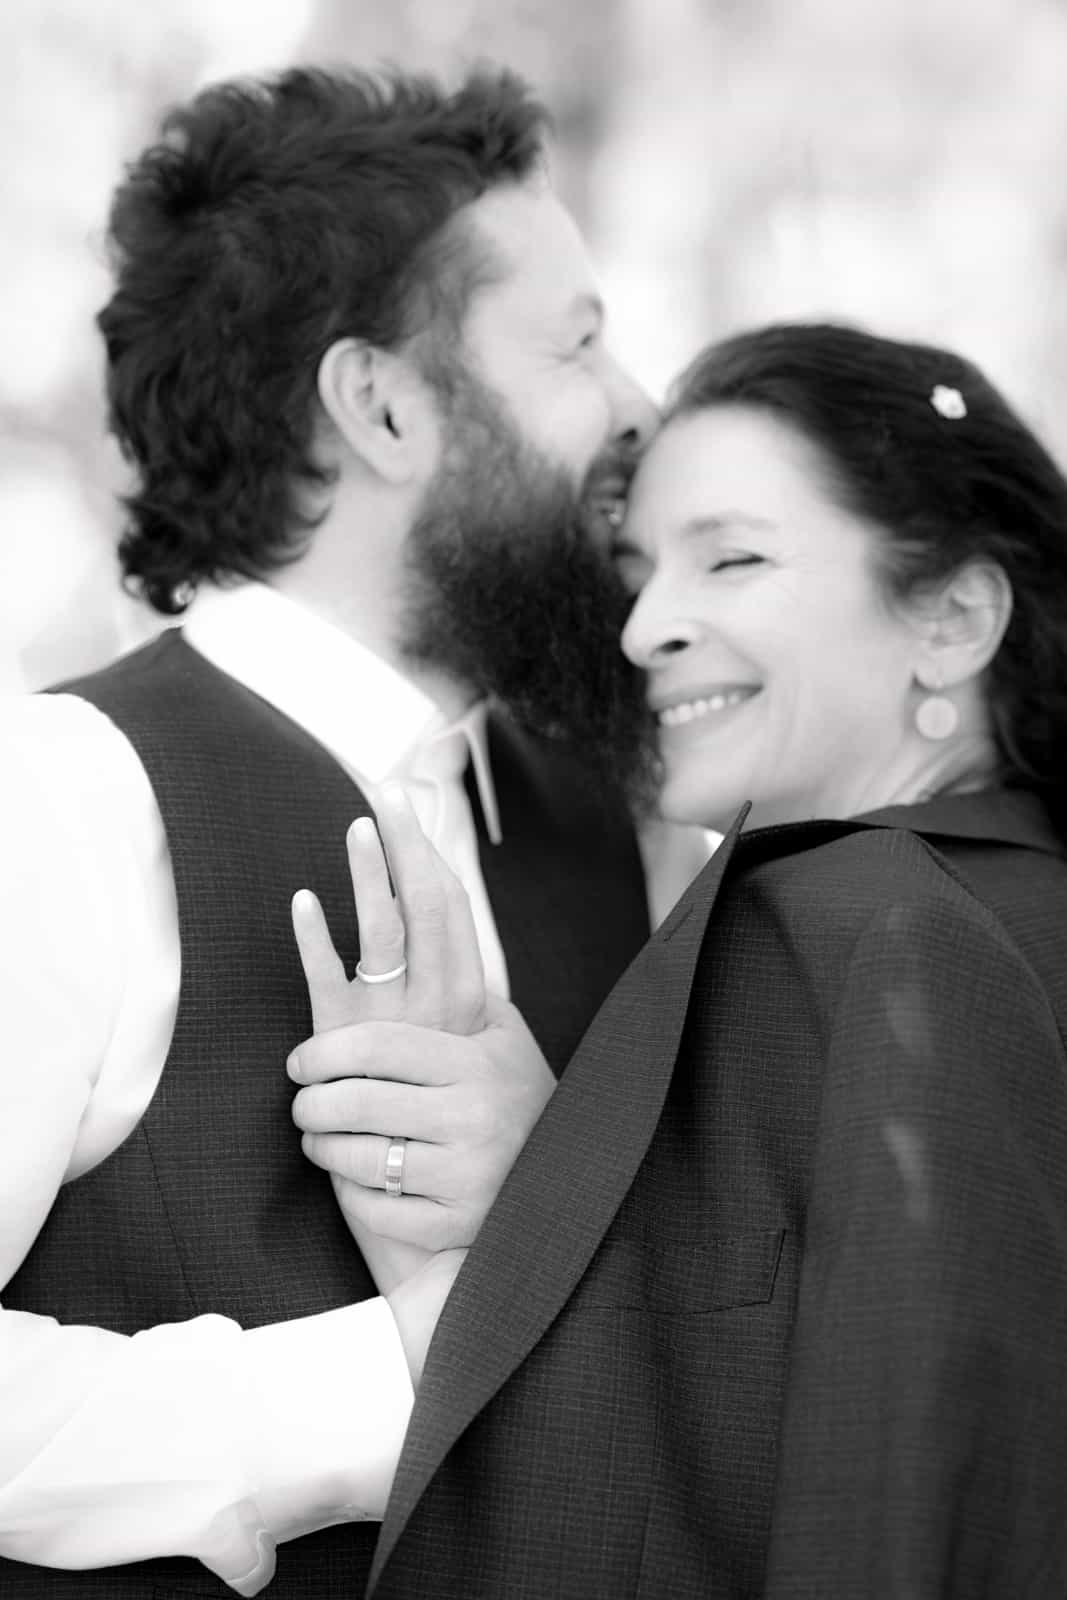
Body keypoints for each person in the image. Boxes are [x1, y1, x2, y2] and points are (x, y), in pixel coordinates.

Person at [0, 63, 708, 1600]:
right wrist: (405, 1368)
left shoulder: (600, 814)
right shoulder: (67, 797)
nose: (644, 409)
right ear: (380, 404)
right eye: (579, 345)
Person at [294, 323, 1067, 1597]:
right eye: (640, 570)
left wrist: (523, 1221)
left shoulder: (876, 923)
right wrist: (559, 1185)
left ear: (953, 616)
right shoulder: (1007, 900)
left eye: (735, 558)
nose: (644, 625)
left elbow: (895, 1503)